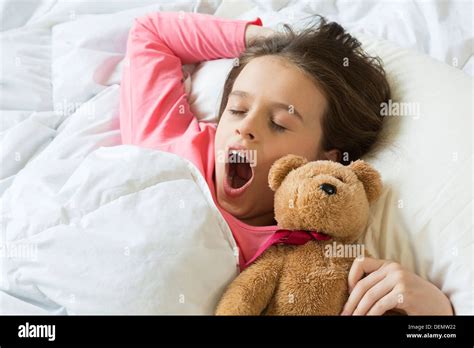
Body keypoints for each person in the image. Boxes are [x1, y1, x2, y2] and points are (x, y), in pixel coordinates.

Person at [119, 11, 453, 315]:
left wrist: (438, 313)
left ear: (326, 158)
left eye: (278, 123)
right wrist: (270, 42)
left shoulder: (309, 256)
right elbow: (151, 33)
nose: (245, 127)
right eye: (236, 109)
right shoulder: (168, 144)